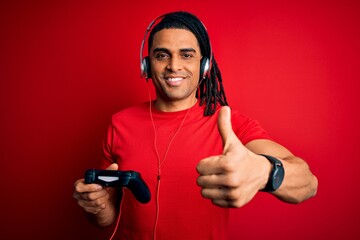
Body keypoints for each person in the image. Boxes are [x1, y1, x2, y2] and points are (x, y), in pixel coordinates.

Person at [73, 11, 318, 239]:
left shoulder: (229, 124)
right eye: (162, 55)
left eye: (186, 55)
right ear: (147, 65)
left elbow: (308, 184)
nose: (174, 66)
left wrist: (265, 172)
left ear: (205, 65)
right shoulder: (120, 123)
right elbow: (107, 219)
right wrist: (97, 207)